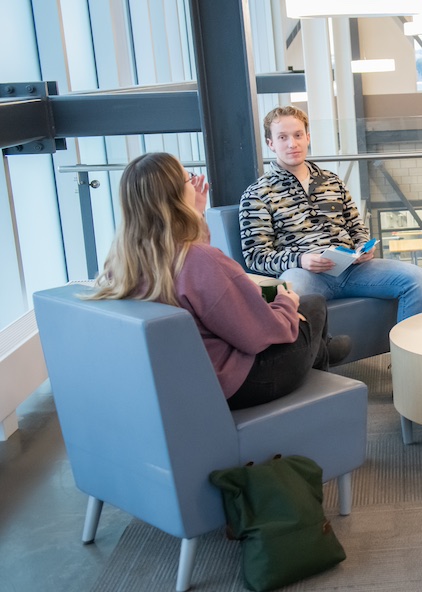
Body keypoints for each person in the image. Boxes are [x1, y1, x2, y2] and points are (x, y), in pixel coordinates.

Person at [86, 152, 351, 410]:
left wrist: (195, 214)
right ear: (176, 194)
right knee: (311, 304)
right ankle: (320, 360)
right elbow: (260, 335)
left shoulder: (121, 263)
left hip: (183, 380)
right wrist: (285, 302)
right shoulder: (200, 260)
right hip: (242, 383)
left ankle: (321, 351)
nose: (193, 182)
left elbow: (192, 271)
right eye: (188, 178)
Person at [239, 106, 422, 323]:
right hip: (304, 274)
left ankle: (405, 357)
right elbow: (256, 256)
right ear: (271, 143)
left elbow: (356, 226)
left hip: (352, 270)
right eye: (282, 137)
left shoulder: (331, 181)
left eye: (298, 135)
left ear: (308, 137)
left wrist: (363, 247)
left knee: (417, 278)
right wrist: (300, 260)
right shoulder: (257, 194)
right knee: (285, 297)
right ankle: (310, 356)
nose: (292, 143)